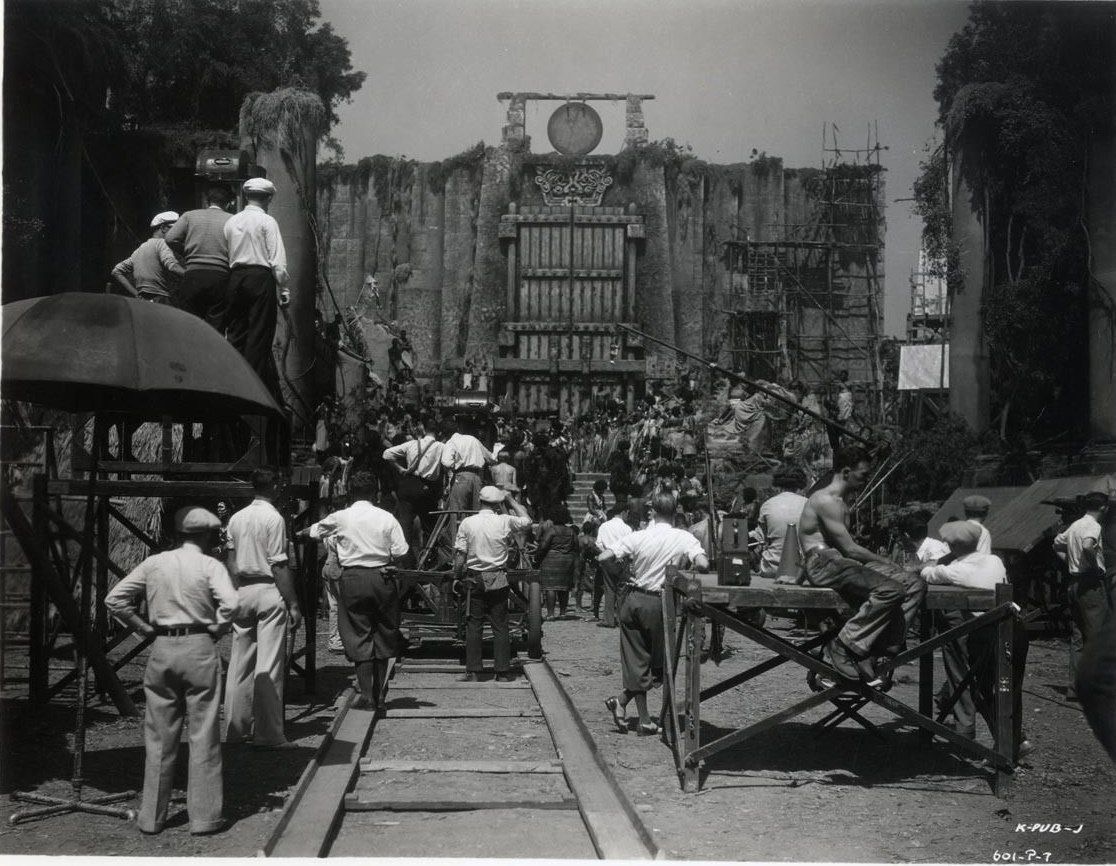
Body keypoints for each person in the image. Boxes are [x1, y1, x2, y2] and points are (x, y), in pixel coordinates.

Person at [105, 506, 238, 835]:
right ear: (206, 535)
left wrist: (143, 627)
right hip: (199, 645)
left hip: (163, 647)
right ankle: (204, 818)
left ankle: (152, 817)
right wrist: (217, 628)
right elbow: (232, 604)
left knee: (159, 736)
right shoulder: (210, 565)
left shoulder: (155, 563)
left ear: (178, 533)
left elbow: (114, 599)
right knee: (204, 733)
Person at [797, 446, 926, 683]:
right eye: (863, 474)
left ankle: (878, 650)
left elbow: (848, 553)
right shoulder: (825, 500)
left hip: (840, 562)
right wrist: (888, 562)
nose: (866, 479)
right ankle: (843, 645)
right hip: (824, 562)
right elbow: (850, 549)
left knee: (914, 584)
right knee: (892, 589)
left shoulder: (841, 502)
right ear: (846, 472)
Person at [600, 493, 707, 735]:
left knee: (637, 658)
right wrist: (684, 566)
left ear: (653, 512)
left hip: (632, 598)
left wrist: (622, 574)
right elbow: (703, 564)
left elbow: (604, 556)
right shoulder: (683, 537)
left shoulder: (638, 536)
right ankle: (644, 719)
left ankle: (625, 704)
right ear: (675, 512)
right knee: (659, 663)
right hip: (659, 602)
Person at [306, 471, 410, 709]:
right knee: (383, 635)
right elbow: (401, 551)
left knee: (357, 634)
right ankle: (380, 695)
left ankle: (366, 695)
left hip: (353, 579)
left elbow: (313, 532)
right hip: (382, 578)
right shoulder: (387, 518)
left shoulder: (341, 517)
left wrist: (299, 533)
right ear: (376, 493)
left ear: (350, 493)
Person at [224, 469, 302, 749]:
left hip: (242, 589)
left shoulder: (236, 518)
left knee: (239, 664)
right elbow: (279, 565)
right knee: (269, 665)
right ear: (276, 487)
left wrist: (236, 590)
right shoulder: (274, 518)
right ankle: (268, 734)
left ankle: (236, 729)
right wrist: (293, 603)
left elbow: (231, 560)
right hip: (267, 589)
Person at [921, 520, 1007, 740]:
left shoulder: (956, 569)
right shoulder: (995, 561)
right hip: (1001, 629)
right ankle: (1012, 736)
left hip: (975, 633)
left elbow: (928, 573)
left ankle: (965, 726)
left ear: (953, 546)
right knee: (985, 687)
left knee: (956, 663)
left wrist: (935, 562)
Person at [453, 485, 533, 681]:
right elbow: (527, 521)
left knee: (474, 624)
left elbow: (460, 555)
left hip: (474, 578)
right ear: (497, 504)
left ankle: (474, 672)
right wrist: (511, 500)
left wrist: (456, 576)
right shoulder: (504, 521)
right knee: (500, 625)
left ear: (479, 501)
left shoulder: (467, 523)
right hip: (498, 578)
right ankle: (502, 672)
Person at [224, 177, 289, 402]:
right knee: (259, 334)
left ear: (246, 196)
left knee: (236, 331)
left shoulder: (231, 222)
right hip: (260, 277)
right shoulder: (268, 222)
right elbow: (277, 260)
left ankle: (231, 382)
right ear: (268, 198)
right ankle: (251, 389)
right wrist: (284, 289)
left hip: (235, 277)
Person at [1055, 491, 1111, 695]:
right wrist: (1094, 567)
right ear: (1103, 507)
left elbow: (1056, 544)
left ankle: (1075, 687)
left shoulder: (1076, 524)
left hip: (1074, 584)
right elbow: (1088, 546)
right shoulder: (1094, 526)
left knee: (1078, 636)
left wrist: (1070, 563)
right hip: (1090, 584)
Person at [164, 186, 233, 329]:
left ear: (206, 201)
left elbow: (170, 238)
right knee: (216, 325)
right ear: (227, 204)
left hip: (193, 274)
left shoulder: (189, 216)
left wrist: (187, 253)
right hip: (220, 276)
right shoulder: (232, 219)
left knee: (190, 323)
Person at [383, 419, 445, 553]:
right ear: (438, 432)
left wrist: (400, 468)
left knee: (405, 526)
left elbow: (387, 454)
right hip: (427, 489)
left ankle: (405, 558)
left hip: (408, 487)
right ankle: (428, 557)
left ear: (424, 430)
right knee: (429, 527)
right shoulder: (441, 447)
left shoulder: (411, 444)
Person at [110, 211, 184, 304]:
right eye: (175, 229)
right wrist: (191, 275)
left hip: (143, 303)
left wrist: (136, 294)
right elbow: (172, 266)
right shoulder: (162, 243)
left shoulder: (139, 250)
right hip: (161, 301)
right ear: (163, 228)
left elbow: (116, 271)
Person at [753, 468, 808, 579]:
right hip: (801, 571)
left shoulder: (767, 505)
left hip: (772, 568)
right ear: (801, 485)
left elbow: (762, 539)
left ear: (778, 485)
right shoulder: (809, 504)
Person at [595, 500, 643, 628]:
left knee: (609, 589)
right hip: (623, 560)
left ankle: (609, 619)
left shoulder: (604, 526)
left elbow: (598, 544)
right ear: (623, 512)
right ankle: (623, 619)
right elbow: (631, 546)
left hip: (607, 559)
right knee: (622, 590)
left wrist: (607, 553)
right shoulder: (627, 528)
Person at [442, 418, 496, 513]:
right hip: (477, 478)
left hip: (461, 477)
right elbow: (490, 458)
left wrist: (455, 465)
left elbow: (446, 462)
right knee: (477, 512)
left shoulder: (451, 442)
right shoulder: (473, 439)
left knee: (458, 512)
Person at [536, 503, 579, 619]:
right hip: (567, 561)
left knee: (551, 587)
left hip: (551, 561)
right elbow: (576, 548)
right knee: (564, 588)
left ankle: (550, 614)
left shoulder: (551, 530)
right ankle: (563, 612)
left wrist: (537, 557)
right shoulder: (571, 531)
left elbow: (543, 546)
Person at [607, 441, 633, 509]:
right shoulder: (624, 458)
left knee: (619, 500)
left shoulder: (613, 456)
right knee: (622, 501)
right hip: (622, 483)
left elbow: (608, 466)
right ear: (624, 449)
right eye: (627, 449)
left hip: (614, 482)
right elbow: (628, 468)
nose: (628, 451)